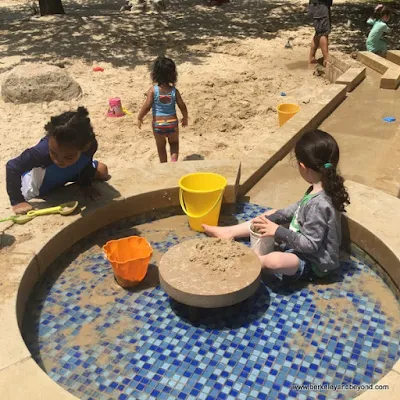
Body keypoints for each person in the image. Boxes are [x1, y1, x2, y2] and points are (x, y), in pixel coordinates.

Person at [203, 129, 350, 281]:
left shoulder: (319, 204)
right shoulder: (321, 186)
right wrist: (274, 219)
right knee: (270, 215)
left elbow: (310, 245)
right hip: (302, 240)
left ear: (303, 167)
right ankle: (229, 232)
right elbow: (296, 208)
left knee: (275, 261)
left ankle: (254, 262)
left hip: (315, 261)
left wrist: (277, 231)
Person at [6, 107, 109, 215]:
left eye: (68, 157)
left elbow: (86, 162)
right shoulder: (41, 153)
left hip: (71, 172)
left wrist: (85, 184)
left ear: (85, 147)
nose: (58, 160)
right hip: (41, 187)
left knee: (102, 170)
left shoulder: (90, 146)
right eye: (53, 153)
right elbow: (12, 166)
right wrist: (17, 201)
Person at [137, 56, 188, 163]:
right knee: (174, 143)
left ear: (154, 75)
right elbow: (182, 106)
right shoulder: (174, 91)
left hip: (158, 124)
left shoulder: (153, 91)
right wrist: (185, 118)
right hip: (172, 123)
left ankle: (164, 165)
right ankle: (173, 161)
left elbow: (146, 106)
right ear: (173, 75)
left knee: (161, 147)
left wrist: (139, 117)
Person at [308, 0, 333, 67]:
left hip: (316, 5)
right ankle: (326, 59)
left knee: (318, 32)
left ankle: (312, 58)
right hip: (320, 6)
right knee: (323, 33)